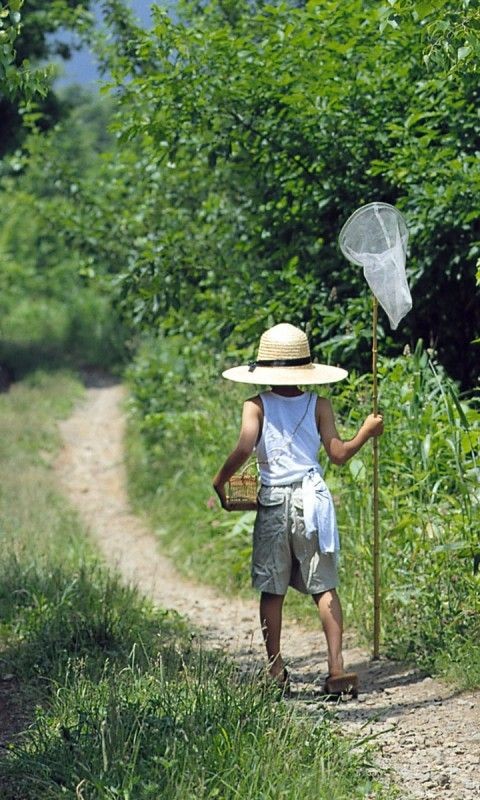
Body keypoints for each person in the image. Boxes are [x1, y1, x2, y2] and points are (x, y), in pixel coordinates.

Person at [212, 323, 383, 696]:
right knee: (324, 586)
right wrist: (366, 432)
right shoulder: (318, 404)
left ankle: (275, 671)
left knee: (273, 590)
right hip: (311, 501)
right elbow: (338, 455)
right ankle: (337, 671)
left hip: (273, 501)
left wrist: (220, 480)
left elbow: (244, 449)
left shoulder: (255, 405)